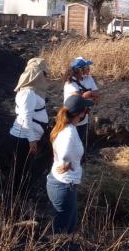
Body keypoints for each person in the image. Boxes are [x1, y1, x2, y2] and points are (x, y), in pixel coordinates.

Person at [47, 94, 93, 237]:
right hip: (63, 185)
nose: (86, 113)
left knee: (70, 225)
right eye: (86, 111)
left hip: (62, 183)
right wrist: (65, 162)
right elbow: (65, 151)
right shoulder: (69, 132)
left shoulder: (64, 126)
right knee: (62, 229)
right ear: (80, 114)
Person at [9, 57, 51, 194]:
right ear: (37, 75)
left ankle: (20, 198)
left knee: (23, 170)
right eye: (44, 74)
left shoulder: (31, 92)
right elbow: (26, 117)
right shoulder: (28, 93)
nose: (46, 77)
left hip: (25, 139)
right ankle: (15, 201)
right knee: (19, 171)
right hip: (23, 139)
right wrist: (32, 141)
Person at [63, 57, 100, 147]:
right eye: (86, 67)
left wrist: (89, 93)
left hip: (83, 116)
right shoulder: (70, 83)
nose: (89, 69)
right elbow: (79, 98)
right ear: (80, 70)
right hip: (72, 117)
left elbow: (98, 95)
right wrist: (90, 94)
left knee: (80, 142)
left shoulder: (88, 78)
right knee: (70, 143)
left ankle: (80, 159)